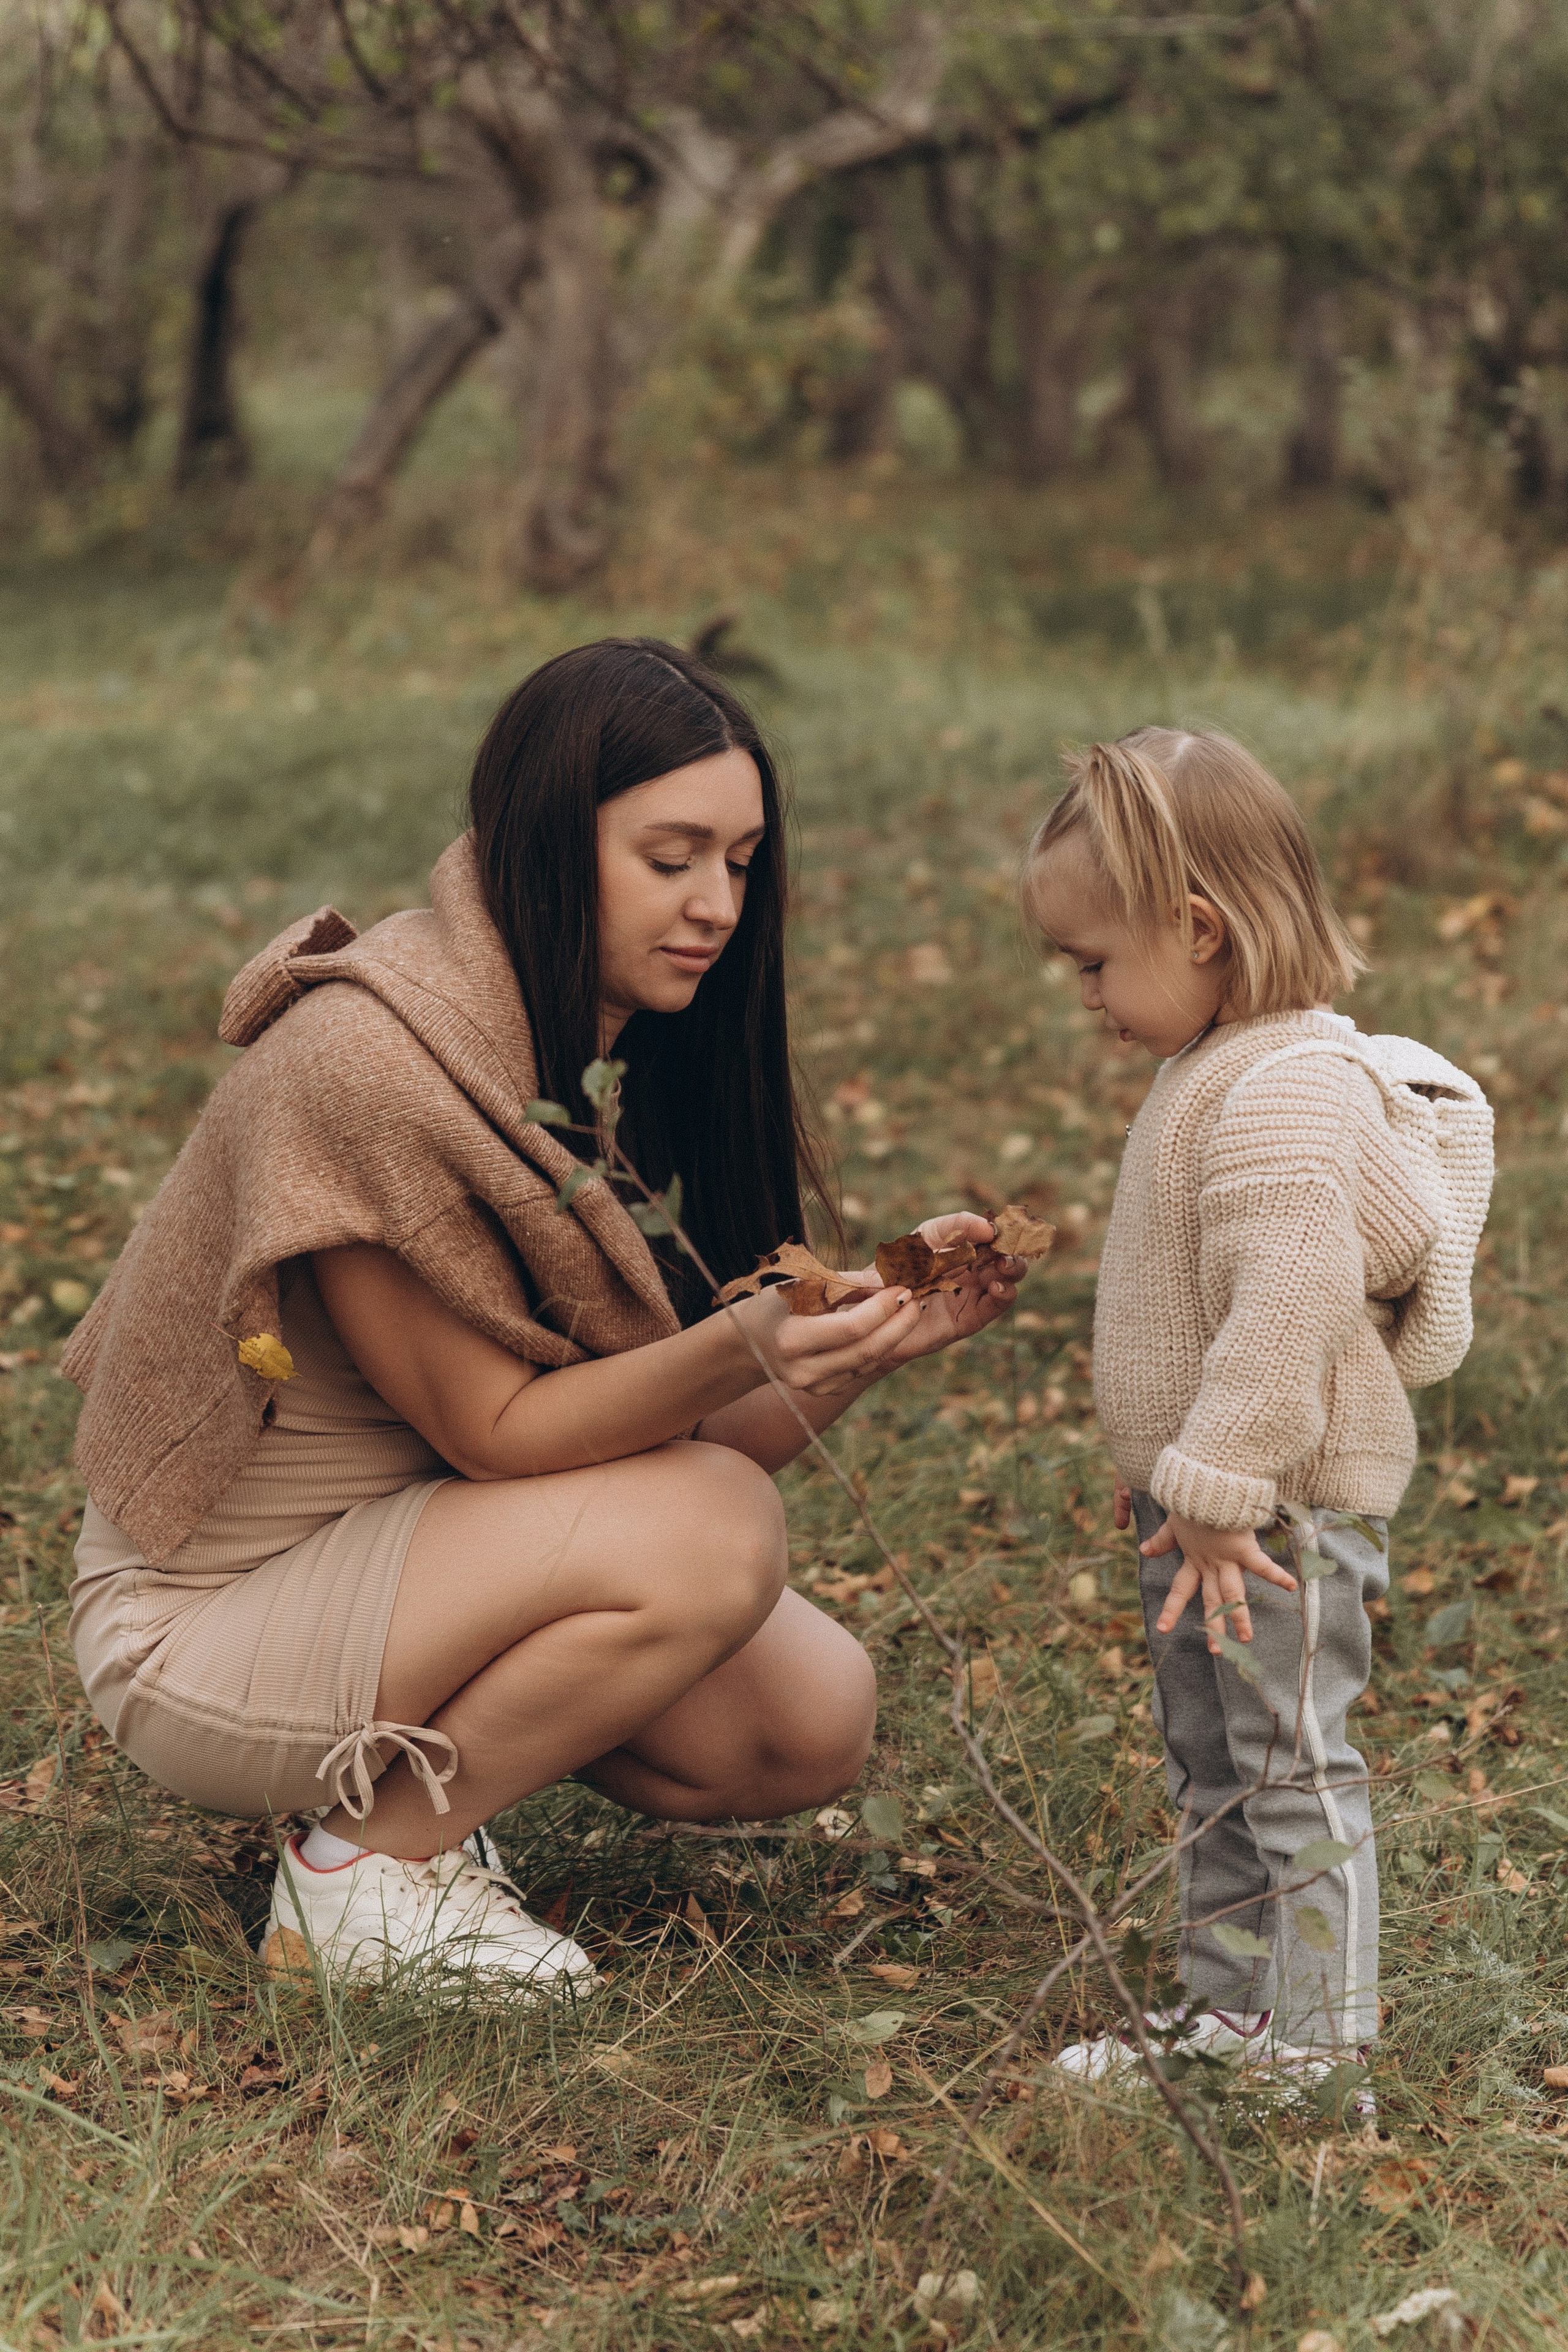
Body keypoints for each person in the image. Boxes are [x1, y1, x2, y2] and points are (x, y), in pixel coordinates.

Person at [64, 638, 1023, 1991]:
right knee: (712, 1532)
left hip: (406, 1567)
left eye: (739, 863)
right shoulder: (369, 1075)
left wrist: (857, 1344)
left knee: (801, 1721)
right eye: (670, 856)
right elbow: (506, 1434)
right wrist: (735, 1339)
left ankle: (407, 1814)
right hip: (205, 1635)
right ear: (548, 846)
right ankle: (362, 1874)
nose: (714, 905)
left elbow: (674, 1447)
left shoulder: (602, 1064)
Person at [1021, 728, 1490, 2095]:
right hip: (1213, 1509)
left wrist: (1216, 1490)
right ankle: (1233, 2011)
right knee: (1210, 1756)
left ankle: (1317, 2039)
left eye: (1094, 963)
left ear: (1201, 929)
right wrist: (1169, 1477)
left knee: (1285, 1757)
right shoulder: (1216, 1066)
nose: (1087, 997)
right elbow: (1194, 1313)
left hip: (1270, 1510)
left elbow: (1283, 1306)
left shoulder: (1283, 1091)